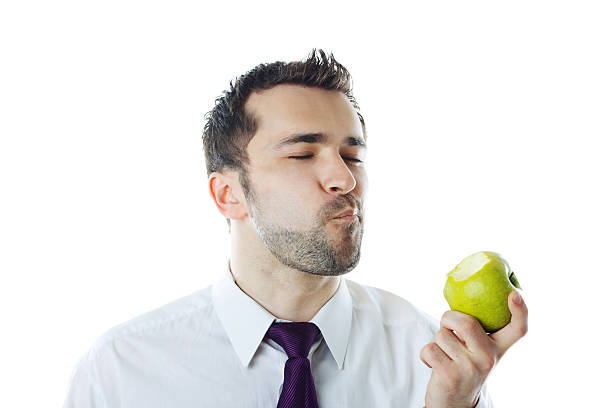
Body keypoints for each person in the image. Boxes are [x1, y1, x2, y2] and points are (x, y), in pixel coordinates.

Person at [63, 49, 528, 407]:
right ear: (229, 195)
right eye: (302, 154)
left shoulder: (435, 363)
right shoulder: (120, 372)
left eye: (353, 156)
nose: (344, 179)